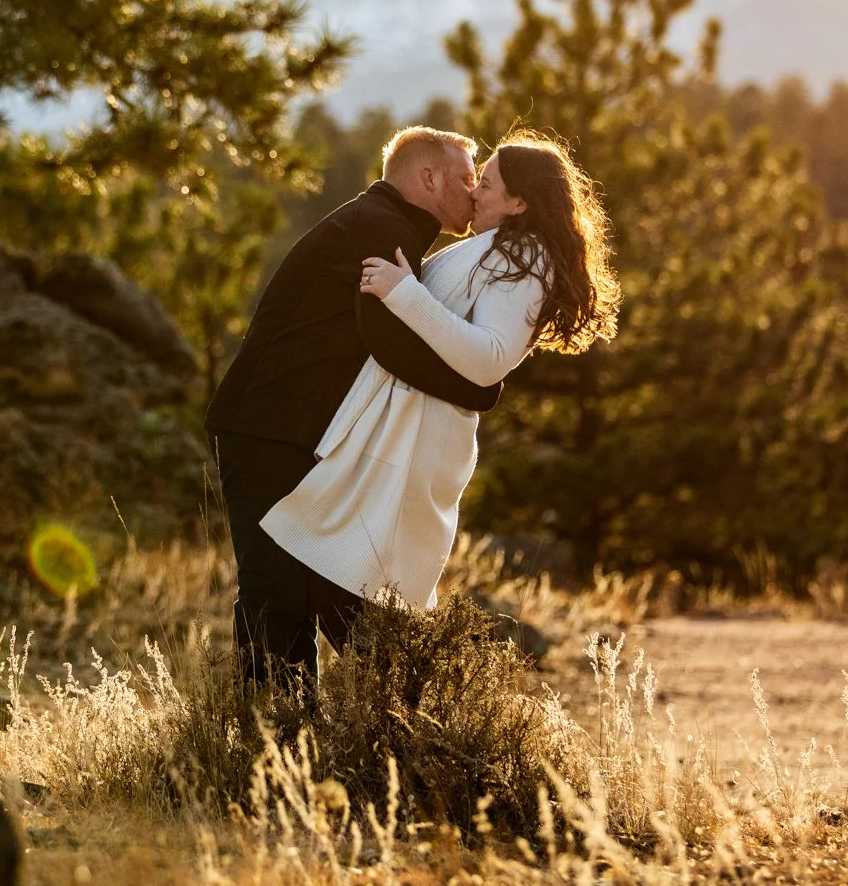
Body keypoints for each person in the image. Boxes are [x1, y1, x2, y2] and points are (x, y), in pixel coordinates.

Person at [261, 133, 619, 616]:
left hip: (418, 441)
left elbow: (490, 357)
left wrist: (404, 293)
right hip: (402, 433)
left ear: (519, 201)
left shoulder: (525, 257)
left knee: (359, 594)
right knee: (340, 582)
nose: (474, 193)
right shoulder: (498, 248)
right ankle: (387, 686)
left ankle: (410, 688)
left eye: (486, 184)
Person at [207, 127, 502, 686]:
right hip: (266, 431)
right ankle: (277, 750)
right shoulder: (382, 229)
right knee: (276, 595)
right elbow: (390, 343)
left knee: (321, 588)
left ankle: (339, 738)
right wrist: (481, 387)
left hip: (295, 433)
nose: (473, 191)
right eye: (467, 178)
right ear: (428, 177)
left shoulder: (388, 225)